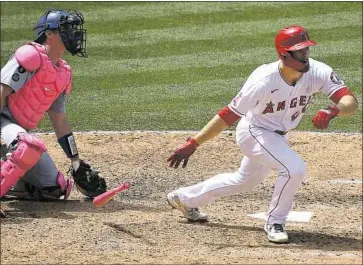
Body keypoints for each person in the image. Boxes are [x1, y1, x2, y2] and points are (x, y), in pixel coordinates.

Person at [166, 25, 358, 243]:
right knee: (293, 169)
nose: (306, 56)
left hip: (277, 136)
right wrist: (194, 143)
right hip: (254, 132)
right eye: (300, 51)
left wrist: (334, 110)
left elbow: (350, 101)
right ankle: (275, 221)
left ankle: (184, 198)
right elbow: (228, 115)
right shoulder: (263, 80)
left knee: (244, 181)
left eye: (307, 50)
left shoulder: (317, 71)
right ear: (284, 55)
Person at [0, 8, 107, 217]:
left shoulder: (62, 73)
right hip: (2, 122)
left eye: (74, 29)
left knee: (55, 189)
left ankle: (10, 182)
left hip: (15, 134)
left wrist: (76, 163)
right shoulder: (30, 56)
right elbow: (1, 92)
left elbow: (60, 121)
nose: (74, 34)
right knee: (27, 146)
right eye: (66, 29)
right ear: (49, 33)